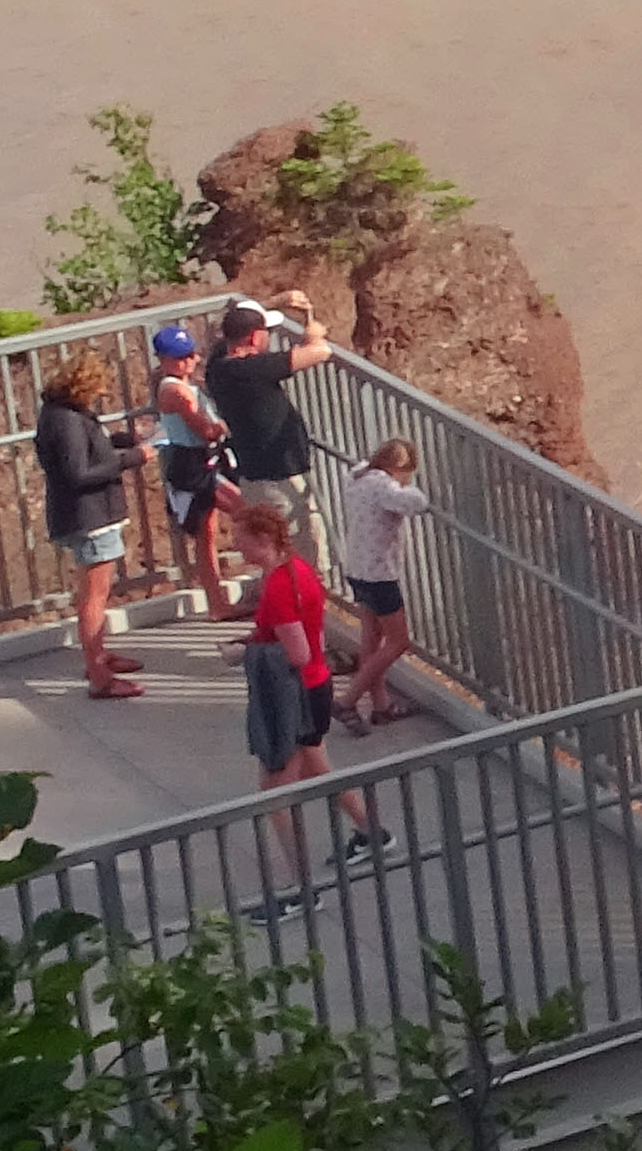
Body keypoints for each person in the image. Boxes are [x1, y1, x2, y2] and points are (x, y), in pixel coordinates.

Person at [230, 486, 348, 896]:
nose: (235, 546)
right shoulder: (295, 569)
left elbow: (293, 652)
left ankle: (304, 886)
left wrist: (243, 654)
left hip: (294, 695)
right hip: (315, 685)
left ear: (261, 540)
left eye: (239, 539)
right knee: (317, 764)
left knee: (275, 792)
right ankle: (372, 832)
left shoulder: (278, 589)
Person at [30, 349, 145, 700]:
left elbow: (82, 452)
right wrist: (132, 459)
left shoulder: (60, 413)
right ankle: (99, 675)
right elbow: (78, 473)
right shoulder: (66, 419)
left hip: (86, 515)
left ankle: (99, 657)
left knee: (90, 593)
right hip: (90, 517)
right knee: (94, 596)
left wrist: (120, 442)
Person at [202, 295, 336, 533]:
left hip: (253, 474)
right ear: (255, 337)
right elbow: (320, 351)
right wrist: (313, 334)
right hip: (279, 477)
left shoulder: (217, 367)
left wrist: (274, 302)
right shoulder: (253, 369)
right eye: (267, 331)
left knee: (273, 554)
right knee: (303, 555)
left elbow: (225, 332)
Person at [330, 434, 430, 732]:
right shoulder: (385, 488)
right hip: (380, 575)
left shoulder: (358, 477)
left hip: (357, 569)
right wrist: (408, 489)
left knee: (371, 638)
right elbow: (416, 502)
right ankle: (347, 700)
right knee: (398, 641)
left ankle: (381, 704)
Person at [148, 324, 234, 620]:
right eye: (178, 357)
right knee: (247, 515)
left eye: (190, 355)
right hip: (193, 463)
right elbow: (207, 431)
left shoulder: (184, 386)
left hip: (198, 461)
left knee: (207, 534)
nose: (187, 361)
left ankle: (217, 604)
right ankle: (219, 602)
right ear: (162, 359)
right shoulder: (175, 392)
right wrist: (227, 422)